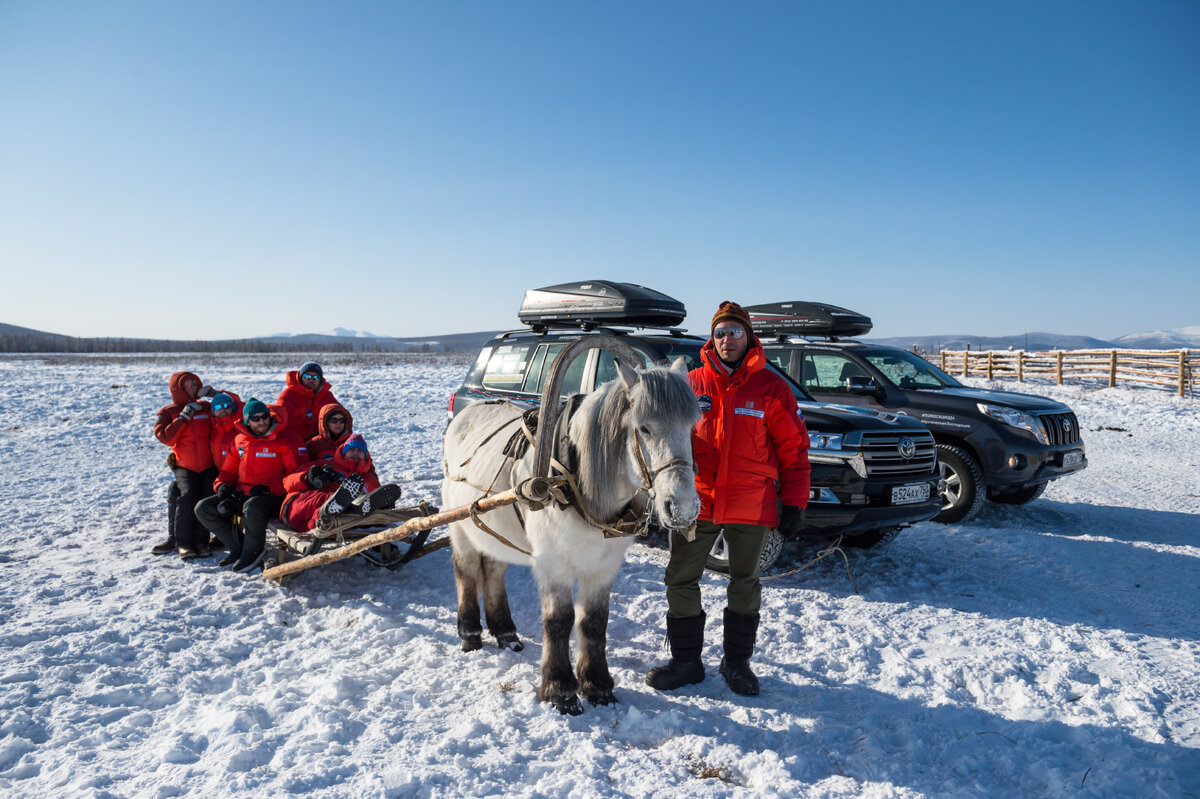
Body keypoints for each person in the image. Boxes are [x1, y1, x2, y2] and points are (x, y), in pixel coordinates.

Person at [645, 301, 811, 697]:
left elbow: (794, 450)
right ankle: (686, 662)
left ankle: (737, 663)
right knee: (681, 579)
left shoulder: (772, 388)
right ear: (712, 338)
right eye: (720, 332)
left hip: (751, 506)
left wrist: (795, 502)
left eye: (735, 332)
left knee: (745, 583)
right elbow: (662, 442)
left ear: (749, 336)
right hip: (696, 503)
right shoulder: (690, 385)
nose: (727, 340)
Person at [194, 399, 304, 572]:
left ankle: (252, 553)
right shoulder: (240, 440)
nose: (261, 422)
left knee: (253, 506)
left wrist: (269, 489)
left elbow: (296, 475)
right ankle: (239, 547)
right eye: (256, 418)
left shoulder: (287, 440)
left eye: (264, 417)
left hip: (275, 498)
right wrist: (222, 485)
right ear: (247, 421)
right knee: (203, 508)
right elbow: (228, 471)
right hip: (244, 494)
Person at [153, 371, 219, 559]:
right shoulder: (168, 412)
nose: (193, 389)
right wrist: (183, 417)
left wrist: (216, 394)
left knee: (206, 498)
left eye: (195, 385)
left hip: (208, 465)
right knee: (188, 496)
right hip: (185, 466)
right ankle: (183, 543)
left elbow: (237, 408)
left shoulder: (206, 407)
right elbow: (164, 437)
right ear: (178, 389)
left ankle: (201, 542)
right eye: (188, 386)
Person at [281, 433, 402, 533]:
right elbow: (287, 482)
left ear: (365, 454)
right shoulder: (325, 465)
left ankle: (350, 507)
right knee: (330, 500)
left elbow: (375, 498)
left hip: (327, 522)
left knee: (347, 516)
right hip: (298, 507)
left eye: (359, 450)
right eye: (351, 450)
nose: (355, 453)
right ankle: (349, 505)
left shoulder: (369, 480)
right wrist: (309, 478)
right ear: (344, 452)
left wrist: (384, 505)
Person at [276, 361, 340, 442]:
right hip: (297, 443)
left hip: (324, 441)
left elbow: (341, 415)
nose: (311, 380)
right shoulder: (288, 396)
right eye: (307, 377)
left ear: (320, 380)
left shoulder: (326, 396)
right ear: (300, 377)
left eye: (316, 377)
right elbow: (290, 429)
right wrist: (321, 429)